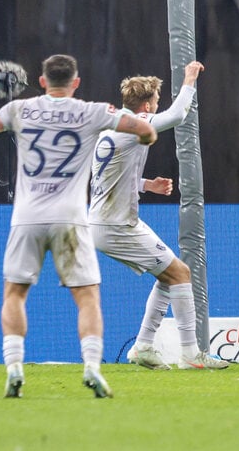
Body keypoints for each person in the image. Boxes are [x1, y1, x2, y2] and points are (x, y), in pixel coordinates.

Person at [0, 54, 157, 398]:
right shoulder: (93, 111)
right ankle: (92, 366)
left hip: (27, 217)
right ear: (75, 83)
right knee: (87, 297)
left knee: (15, 293)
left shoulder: (20, 110)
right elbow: (144, 129)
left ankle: (15, 367)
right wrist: (146, 139)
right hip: (71, 217)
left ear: (43, 80)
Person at [89, 61, 229, 371]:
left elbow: (103, 176)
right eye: (155, 101)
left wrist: (146, 185)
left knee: (170, 275)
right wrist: (190, 79)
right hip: (116, 226)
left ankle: (143, 347)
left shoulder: (112, 128)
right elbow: (177, 115)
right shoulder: (133, 124)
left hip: (110, 221)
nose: (157, 106)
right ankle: (191, 354)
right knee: (179, 274)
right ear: (147, 104)